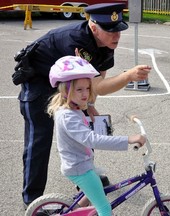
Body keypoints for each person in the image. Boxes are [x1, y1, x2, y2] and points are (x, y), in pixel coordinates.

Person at [14, 3, 151, 208]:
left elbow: (96, 77)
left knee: (85, 126)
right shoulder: (77, 42)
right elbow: (99, 86)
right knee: (40, 139)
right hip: (39, 82)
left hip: (72, 86)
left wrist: (90, 103)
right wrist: (128, 76)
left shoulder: (106, 42)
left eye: (118, 30)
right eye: (110, 31)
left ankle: (89, 179)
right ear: (94, 28)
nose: (116, 36)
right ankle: (33, 201)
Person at [47, 55, 146, 216]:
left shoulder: (72, 108)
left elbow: (84, 133)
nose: (85, 93)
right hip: (79, 168)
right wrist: (128, 139)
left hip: (80, 163)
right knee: (105, 209)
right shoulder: (68, 116)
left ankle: (77, 209)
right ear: (66, 90)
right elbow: (92, 139)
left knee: (95, 189)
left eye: (87, 88)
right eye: (79, 89)